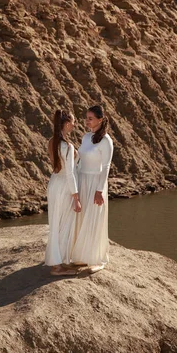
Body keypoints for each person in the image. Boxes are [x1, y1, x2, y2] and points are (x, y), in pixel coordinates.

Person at [71, 105, 113, 272]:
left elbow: (106, 166)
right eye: (86, 118)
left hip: (96, 182)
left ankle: (97, 259)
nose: (86, 121)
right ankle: (82, 255)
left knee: (95, 218)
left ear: (100, 120)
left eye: (90, 118)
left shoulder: (106, 140)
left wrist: (99, 190)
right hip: (83, 179)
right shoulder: (86, 137)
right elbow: (80, 158)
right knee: (82, 218)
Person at [45, 109, 82, 276]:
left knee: (55, 223)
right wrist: (76, 197)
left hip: (54, 184)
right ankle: (57, 266)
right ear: (66, 124)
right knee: (64, 224)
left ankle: (57, 262)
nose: (74, 125)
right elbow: (69, 173)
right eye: (73, 122)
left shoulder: (51, 142)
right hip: (64, 186)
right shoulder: (67, 146)